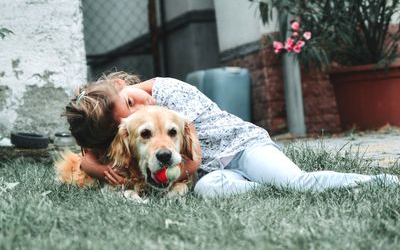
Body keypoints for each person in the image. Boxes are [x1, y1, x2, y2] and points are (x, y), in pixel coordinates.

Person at [64, 71, 399, 198]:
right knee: (208, 191)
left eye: (132, 102)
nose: (140, 110)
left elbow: (191, 160)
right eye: (130, 117)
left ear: (122, 86)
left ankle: (383, 182)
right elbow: (90, 155)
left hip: (242, 148)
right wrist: (93, 167)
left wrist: (163, 174)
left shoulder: (171, 92)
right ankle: (268, 187)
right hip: (216, 173)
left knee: (297, 182)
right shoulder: (126, 122)